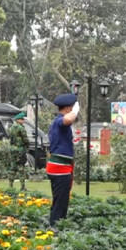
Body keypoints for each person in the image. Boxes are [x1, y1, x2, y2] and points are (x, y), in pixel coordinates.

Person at [46, 93, 78, 226]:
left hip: (61, 167)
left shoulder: (56, 123)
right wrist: (75, 111)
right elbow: (67, 120)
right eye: (72, 107)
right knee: (60, 202)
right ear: (67, 109)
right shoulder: (60, 121)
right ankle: (55, 228)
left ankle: (57, 224)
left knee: (61, 199)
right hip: (60, 168)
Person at [8, 112, 29, 190]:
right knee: (21, 168)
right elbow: (25, 139)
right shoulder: (21, 128)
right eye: (22, 119)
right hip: (20, 149)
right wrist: (27, 146)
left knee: (12, 167)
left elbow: (10, 138)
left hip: (13, 149)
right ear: (18, 120)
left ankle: (10, 186)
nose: (23, 120)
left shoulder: (11, 127)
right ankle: (22, 186)